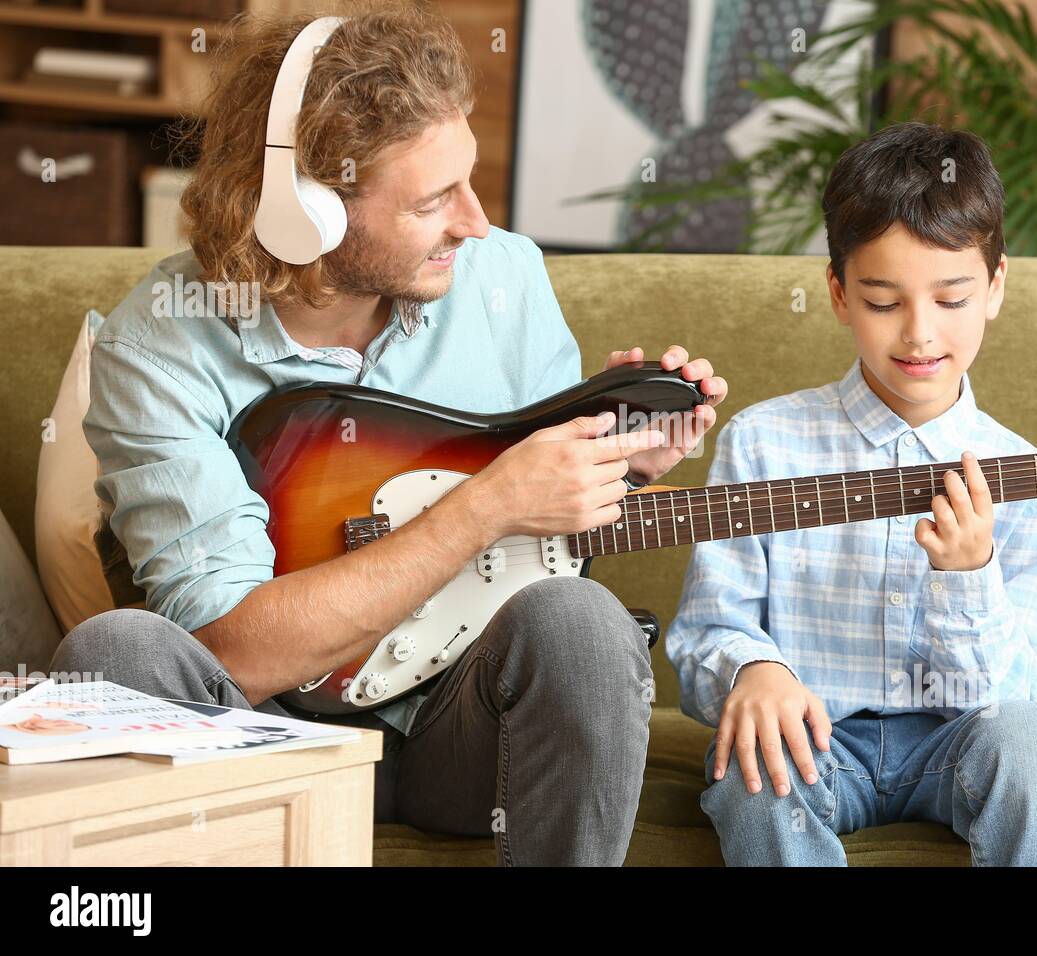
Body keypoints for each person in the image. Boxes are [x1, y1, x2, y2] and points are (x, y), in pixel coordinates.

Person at [48, 3, 727, 867]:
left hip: (466, 731)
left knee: (582, 621)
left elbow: (536, 550)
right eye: (435, 198)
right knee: (112, 650)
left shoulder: (501, 276)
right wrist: (480, 509)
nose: (474, 223)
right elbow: (233, 651)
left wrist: (620, 468)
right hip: (262, 746)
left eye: (468, 181)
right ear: (308, 211)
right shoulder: (158, 345)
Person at [665, 122, 1037, 866]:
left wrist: (968, 577)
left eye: (952, 298)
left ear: (995, 288)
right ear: (839, 294)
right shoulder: (763, 442)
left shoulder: (1026, 474)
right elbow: (708, 634)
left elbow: (1011, 697)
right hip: (812, 740)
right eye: (882, 300)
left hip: (960, 742)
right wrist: (754, 670)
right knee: (748, 772)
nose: (920, 334)